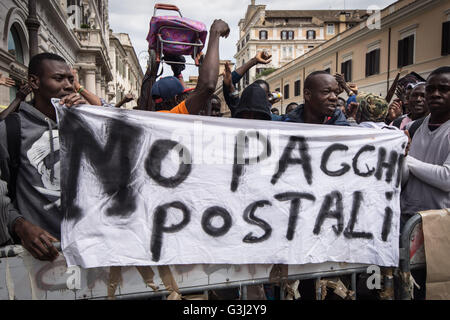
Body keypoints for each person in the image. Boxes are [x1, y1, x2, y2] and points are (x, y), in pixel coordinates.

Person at [0, 52, 86, 260]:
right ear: (34, 82)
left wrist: (91, 120)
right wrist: (20, 225)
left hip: (88, 251)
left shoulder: (85, 124)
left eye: (70, 79)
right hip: (38, 257)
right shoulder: (11, 129)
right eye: (58, 79)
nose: (68, 86)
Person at [149, 19, 230, 115]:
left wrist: (177, 73)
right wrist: (215, 32)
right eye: (183, 96)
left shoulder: (150, 115)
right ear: (176, 99)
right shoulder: (174, 115)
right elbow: (207, 86)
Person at [400, 66, 450, 221]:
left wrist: (407, 159)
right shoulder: (412, 128)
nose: (435, 94)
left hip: (439, 223)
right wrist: (399, 159)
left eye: (443, 89)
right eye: (431, 89)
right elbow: (403, 178)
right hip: (408, 217)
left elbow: (446, 179)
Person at [282, 71, 349, 126]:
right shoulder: (285, 125)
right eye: (326, 92)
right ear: (307, 94)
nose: (334, 98)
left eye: (336, 93)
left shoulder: (340, 122)